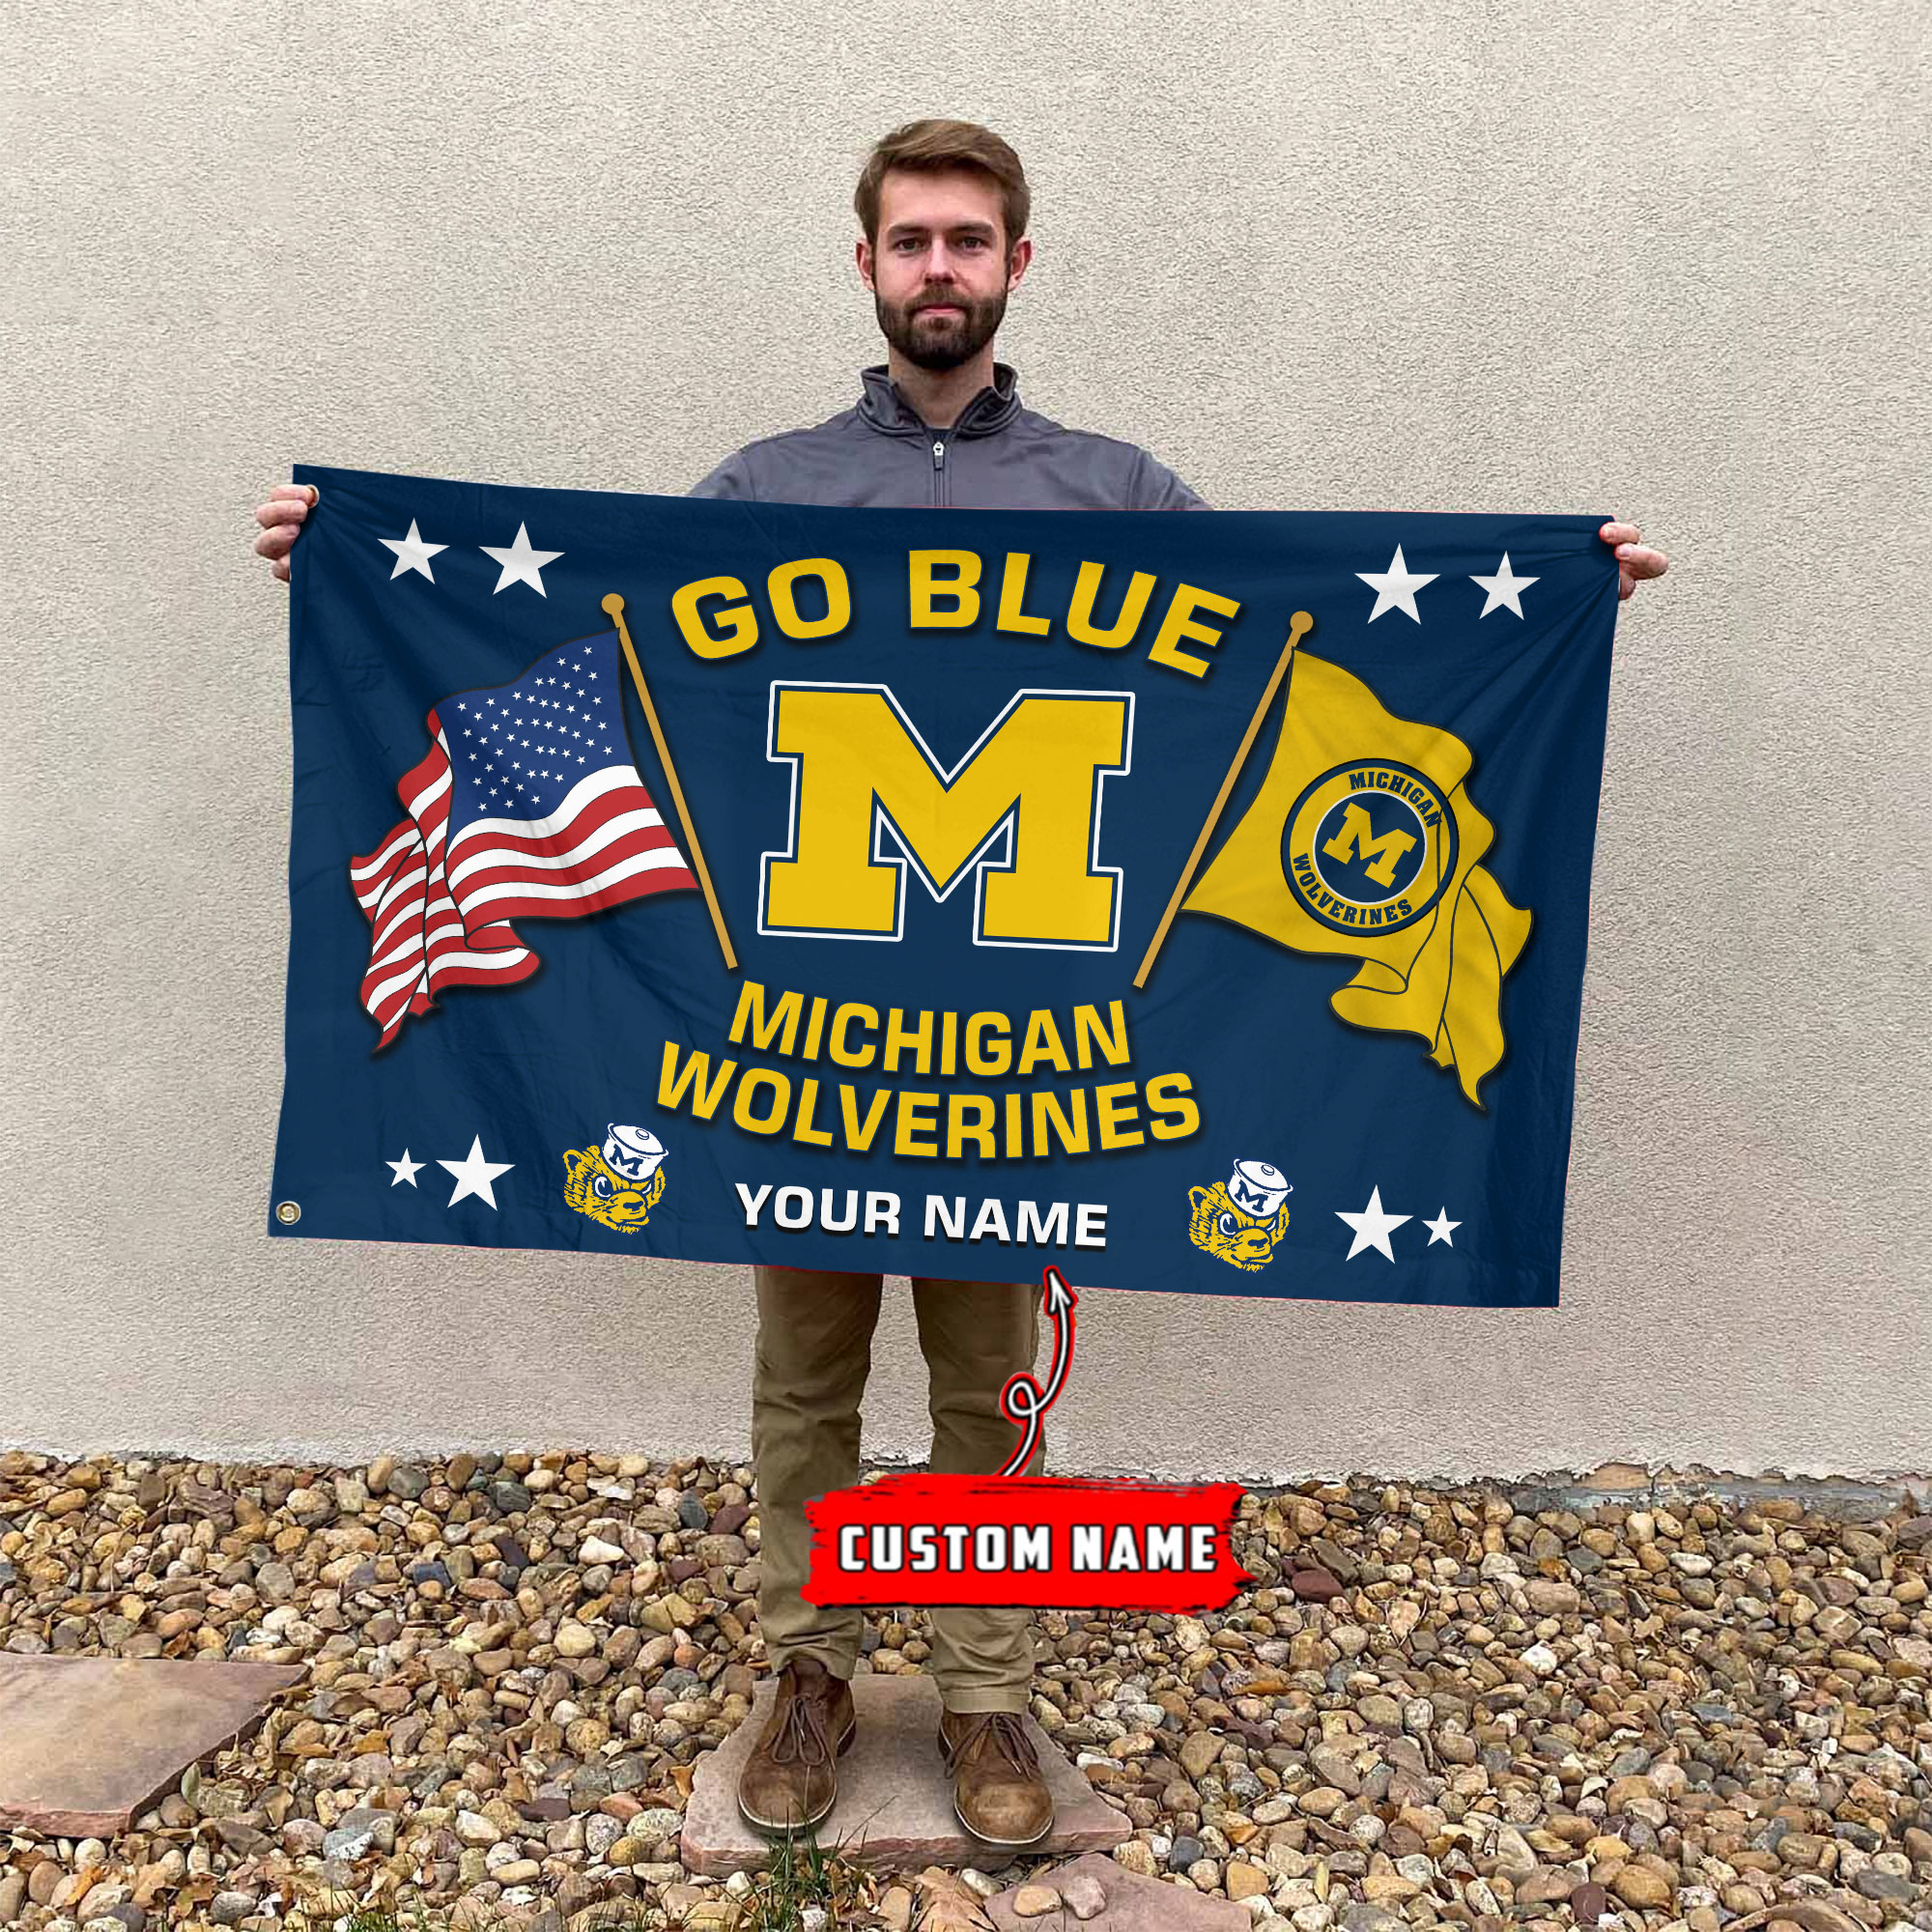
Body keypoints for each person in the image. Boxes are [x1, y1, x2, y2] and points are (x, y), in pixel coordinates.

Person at [250, 119, 1670, 1852]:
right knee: (805, 1379)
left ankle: (988, 1684)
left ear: (1016, 265)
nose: (941, 268)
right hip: (803, 1049)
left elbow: (1294, 653)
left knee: (989, 1390)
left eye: (970, 241)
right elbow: (604, 649)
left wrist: (1554, 599)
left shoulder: (1119, 496)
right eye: (913, 239)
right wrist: (349, 563)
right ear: (866, 263)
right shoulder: (764, 490)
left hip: (1024, 1065)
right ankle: (812, 1666)